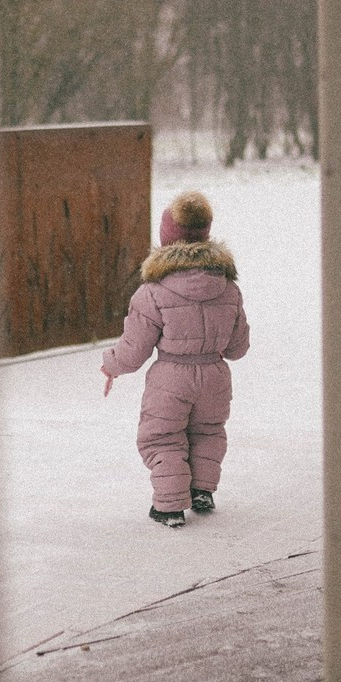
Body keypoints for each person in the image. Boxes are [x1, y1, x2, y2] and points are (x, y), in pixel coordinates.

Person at [101, 190, 250, 527]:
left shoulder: (152, 292)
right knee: (208, 432)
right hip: (215, 376)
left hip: (170, 377)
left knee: (162, 437)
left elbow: (134, 349)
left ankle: (169, 506)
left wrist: (111, 363)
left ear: (167, 238)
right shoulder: (228, 288)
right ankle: (202, 490)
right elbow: (238, 347)